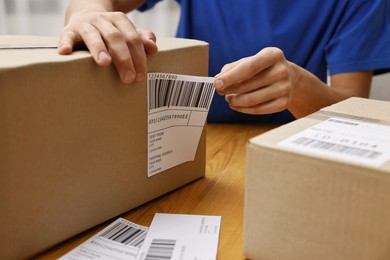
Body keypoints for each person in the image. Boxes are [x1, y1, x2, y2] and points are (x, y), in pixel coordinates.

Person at [58, 0, 390, 123]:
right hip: (182, 140)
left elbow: (356, 110)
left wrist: (300, 87)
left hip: (288, 148)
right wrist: (88, 14)